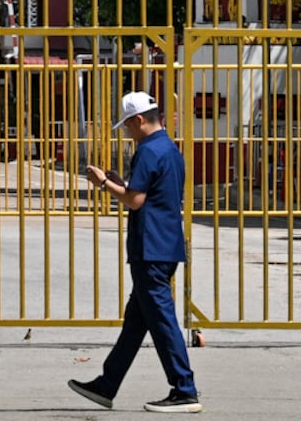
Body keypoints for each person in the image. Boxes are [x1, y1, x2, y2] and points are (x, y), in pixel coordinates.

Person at [69, 90, 200, 413]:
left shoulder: (147, 151)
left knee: (162, 321)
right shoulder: (170, 149)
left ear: (139, 120)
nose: (127, 132)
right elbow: (147, 193)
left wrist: (102, 183)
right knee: (136, 322)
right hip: (165, 245)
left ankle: (184, 389)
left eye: (127, 125)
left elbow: (136, 200)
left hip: (150, 248)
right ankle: (106, 384)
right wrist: (119, 183)